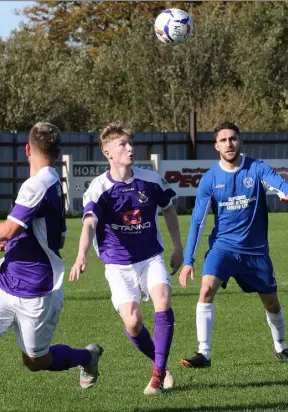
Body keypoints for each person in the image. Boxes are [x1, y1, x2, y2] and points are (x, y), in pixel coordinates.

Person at [0, 122, 103, 396]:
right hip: (6, 280)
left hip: (36, 290)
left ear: (27, 149)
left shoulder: (37, 185)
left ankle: (86, 358)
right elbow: (57, 238)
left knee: (34, 361)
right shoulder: (54, 182)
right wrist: (12, 241)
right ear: (56, 151)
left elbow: (9, 227)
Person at [69, 121, 184, 395]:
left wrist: (178, 246)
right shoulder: (98, 188)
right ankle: (163, 367)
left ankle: (156, 375)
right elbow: (88, 224)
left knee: (163, 300)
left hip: (150, 258)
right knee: (132, 322)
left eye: (130, 143)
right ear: (108, 153)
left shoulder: (150, 179)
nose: (130, 148)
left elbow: (168, 209)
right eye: (122, 144)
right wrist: (80, 255)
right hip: (117, 265)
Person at [179, 121, 288, 368]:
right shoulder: (209, 180)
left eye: (233, 138)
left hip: (256, 253)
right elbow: (197, 222)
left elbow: (277, 182)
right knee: (205, 290)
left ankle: (281, 348)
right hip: (223, 248)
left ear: (240, 141)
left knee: (271, 302)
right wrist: (188, 261)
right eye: (223, 140)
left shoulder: (256, 168)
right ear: (216, 146)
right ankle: (204, 354)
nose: (229, 144)